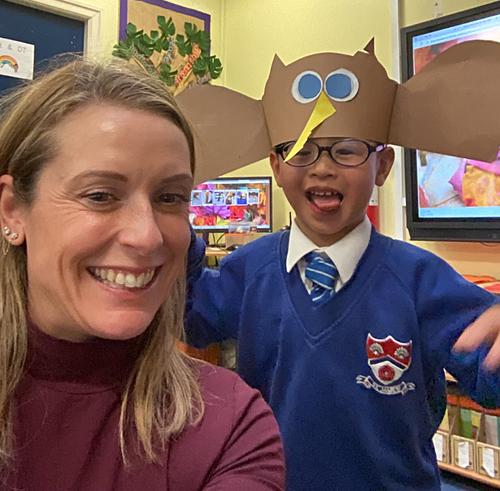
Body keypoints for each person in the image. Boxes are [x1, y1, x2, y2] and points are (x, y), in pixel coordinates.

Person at [0, 57, 284, 491]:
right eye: (100, 195)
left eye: (170, 198)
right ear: (12, 210)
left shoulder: (228, 425)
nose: (147, 236)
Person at [185, 135, 500, 490]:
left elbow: (490, 372)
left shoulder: (422, 280)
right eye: (301, 151)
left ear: (383, 166)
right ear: (276, 166)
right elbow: (186, 314)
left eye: (346, 151)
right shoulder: (247, 270)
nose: (322, 168)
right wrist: (173, 229)